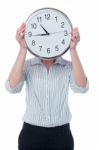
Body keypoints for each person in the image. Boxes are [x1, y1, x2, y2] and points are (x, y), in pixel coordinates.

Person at [5, 22, 89, 150]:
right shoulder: (28, 65)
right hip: (31, 133)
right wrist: (23, 49)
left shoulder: (67, 66)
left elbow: (81, 88)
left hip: (62, 134)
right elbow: (12, 88)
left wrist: (73, 49)